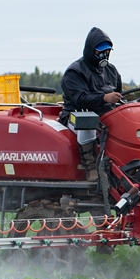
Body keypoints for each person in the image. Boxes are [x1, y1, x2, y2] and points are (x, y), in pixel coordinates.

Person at [60, 27, 123, 181]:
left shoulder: (111, 70)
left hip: (106, 113)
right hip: (76, 115)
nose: (104, 55)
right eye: (100, 51)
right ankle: (91, 168)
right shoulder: (75, 71)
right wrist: (104, 98)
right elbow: (80, 99)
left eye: (107, 51)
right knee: (87, 121)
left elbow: (120, 95)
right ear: (90, 50)